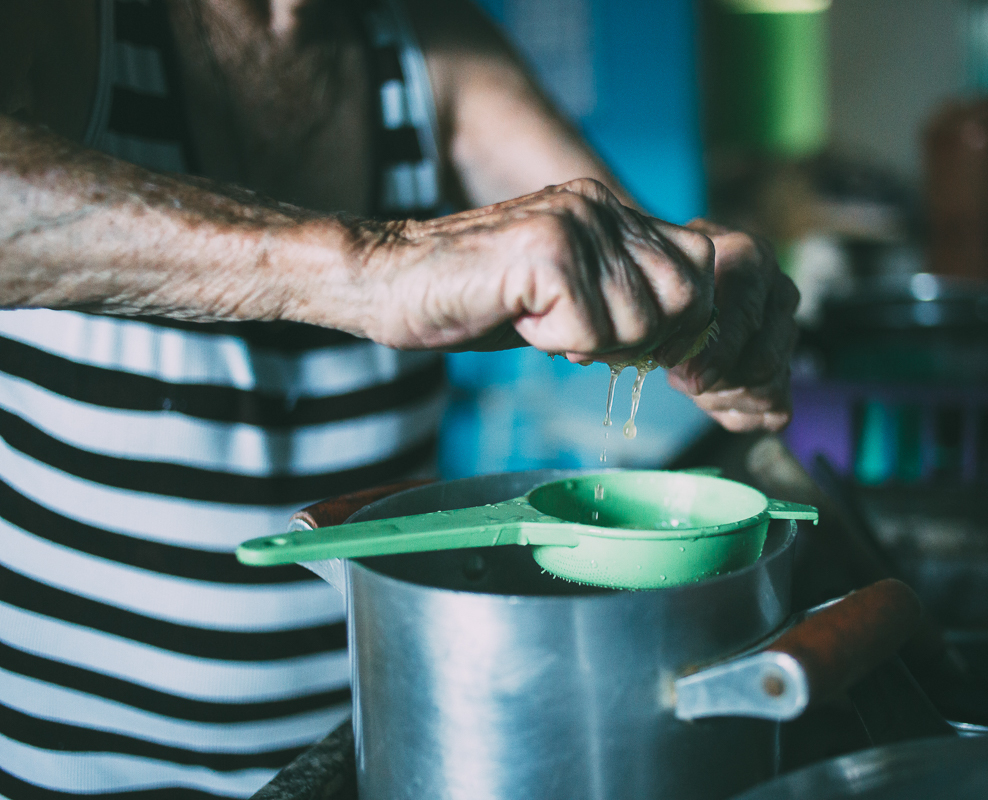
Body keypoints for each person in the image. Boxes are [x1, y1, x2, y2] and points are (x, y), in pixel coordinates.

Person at [0, 0, 800, 795]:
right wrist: (374, 264)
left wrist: (710, 290)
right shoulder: (70, 23)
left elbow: (628, 268)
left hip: (372, 754)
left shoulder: (428, 44)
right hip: (69, 773)